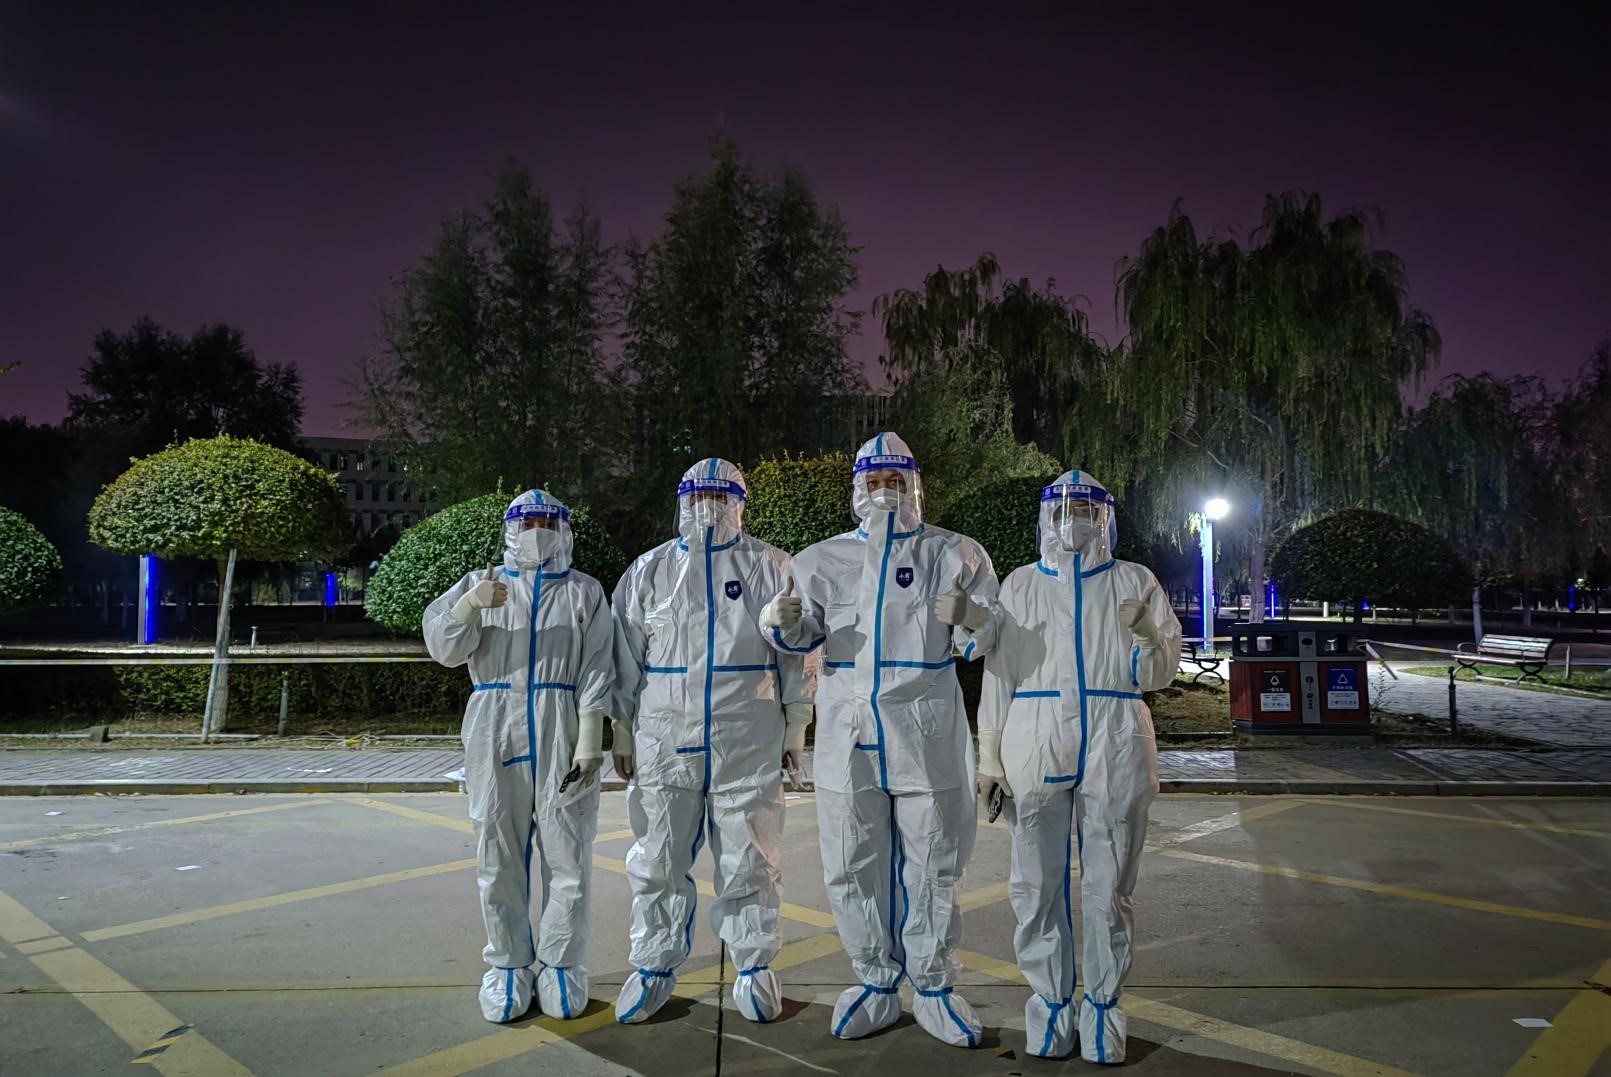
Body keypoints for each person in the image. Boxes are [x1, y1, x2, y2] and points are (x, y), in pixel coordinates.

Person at [760, 432, 1001, 1048]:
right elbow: (800, 634)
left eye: (896, 481)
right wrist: (779, 625)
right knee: (851, 859)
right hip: (847, 727)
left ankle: (934, 986)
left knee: (936, 860)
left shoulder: (955, 553)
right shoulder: (819, 559)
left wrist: (973, 619)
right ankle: (874, 980)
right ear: (857, 488)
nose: (885, 492)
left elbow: (986, 639)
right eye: (874, 482)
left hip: (927, 725)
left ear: (915, 485)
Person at [977, 470, 1181, 1063]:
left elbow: (1157, 676)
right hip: (1035, 733)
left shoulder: (1134, 580)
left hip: (1115, 734)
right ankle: (1050, 1006)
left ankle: (1103, 1010)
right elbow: (998, 673)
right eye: (1063, 509)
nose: (1075, 519)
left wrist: (1147, 637)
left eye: (1087, 509)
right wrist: (989, 757)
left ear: (1105, 517)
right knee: (1034, 882)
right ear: (1046, 517)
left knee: (1110, 882)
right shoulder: (1020, 584)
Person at [609, 459, 812, 1025]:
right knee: (659, 855)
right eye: (698, 495)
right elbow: (625, 655)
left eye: (720, 496)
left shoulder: (771, 565)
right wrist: (622, 727)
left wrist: (796, 724)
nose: (709, 506)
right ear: (682, 502)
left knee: (751, 854)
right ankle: (653, 965)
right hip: (664, 736)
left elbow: (798, 650)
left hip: (746, 732)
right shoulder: (649, 570)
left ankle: (753, 964)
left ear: (739, 503)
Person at [423, 489, 614, 1024]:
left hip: (561, 722)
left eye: (547, 521)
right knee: (497, 850)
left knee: (567, 851)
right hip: (494, 723)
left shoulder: (584, 591)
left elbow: (599, 662)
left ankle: (561, 963)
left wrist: (591, 733)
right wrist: (469, 605)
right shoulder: (481, 584)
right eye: (527, 522)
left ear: (564, 529)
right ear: (510, 528)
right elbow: (444, 649)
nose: (536, 531)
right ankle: (507, 964)